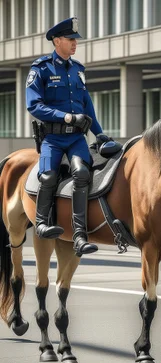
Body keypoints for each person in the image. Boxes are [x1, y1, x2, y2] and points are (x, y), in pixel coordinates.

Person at [26, 17, 109, 256]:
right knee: (49, 176)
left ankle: (80, 236)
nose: (75, 44)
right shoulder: (40, 69)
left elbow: (87, 104)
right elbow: (34, 105)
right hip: (52, 138)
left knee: (83, 174)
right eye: (71, 39)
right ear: (57, 40)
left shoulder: (78, 69)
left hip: (76, 139)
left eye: (76, 40)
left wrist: (99, 132)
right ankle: (41, 223)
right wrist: (67, 117)